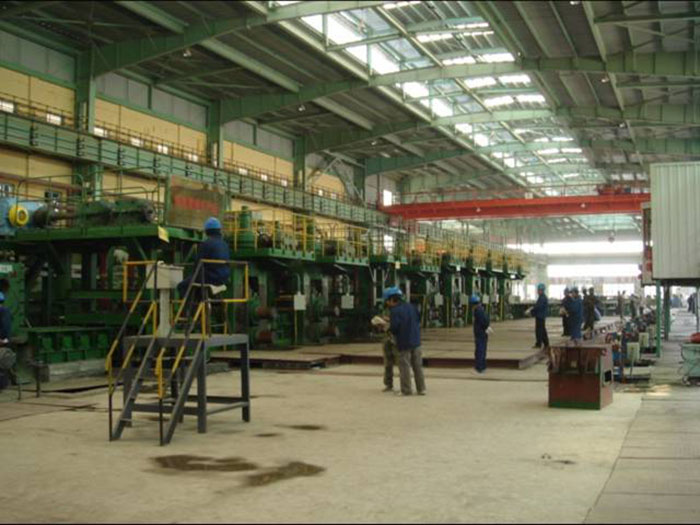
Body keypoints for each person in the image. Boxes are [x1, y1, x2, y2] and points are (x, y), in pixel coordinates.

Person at [177, 217, 231, 301]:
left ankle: (190, 308)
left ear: (207, 231)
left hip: (210, 278)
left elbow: (198, 263)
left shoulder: (206, 244)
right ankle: (206, 304)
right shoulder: (225, 244)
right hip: (224, 278)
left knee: (182, 286)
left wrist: (192, 275)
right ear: (219, 230)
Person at [385, 286, 425, 396]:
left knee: (404, 366)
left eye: (387, 301)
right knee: (417, 366)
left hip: (403, 342)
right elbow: (418, 320)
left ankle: (406, 390)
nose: (387, 304)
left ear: (392, 299)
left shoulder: (395, 311)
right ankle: (421, 389)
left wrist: (387, 328)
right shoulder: (412, 307)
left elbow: (395, 328)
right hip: (416, 340)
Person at [471, 294, 492, 374]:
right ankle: (482, 366)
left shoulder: (478, 310)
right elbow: (486, 320)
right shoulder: (481, 309)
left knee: (480, 350)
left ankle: (479, 368)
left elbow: (483, 321)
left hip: (480, 333)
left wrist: (485, 327)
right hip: (483, 332)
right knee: (482, 349)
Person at [529, 283, 549, 350]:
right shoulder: (542, 297)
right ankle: (546, 343)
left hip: (540, 316)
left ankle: (539, 344)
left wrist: (531, 310)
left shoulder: (542, 298)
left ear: (541, 290)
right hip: (540, 316)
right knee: (542, 330)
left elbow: (538, 307)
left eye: (539, 290)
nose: (538, 291)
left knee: (539, 331)